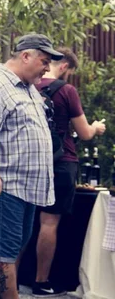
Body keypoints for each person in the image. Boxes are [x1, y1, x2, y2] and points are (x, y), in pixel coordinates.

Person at [0, 34, 63, 299]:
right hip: (5, 186)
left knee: (13, 246)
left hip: (27, 186)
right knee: (4, 252)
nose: (47, 68)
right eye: (44, 61)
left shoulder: (28, 88)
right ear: (26, 56)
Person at [32, 47, 105, 297]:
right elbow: (84, 133)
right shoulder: (67, 90)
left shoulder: (28, 86)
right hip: (61, 162)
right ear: (63, 66)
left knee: (22, 221)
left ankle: (10, 280)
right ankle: (41, 282)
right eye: (69, 72)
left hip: (31, 161)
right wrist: (95, 127)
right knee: (49, 222)